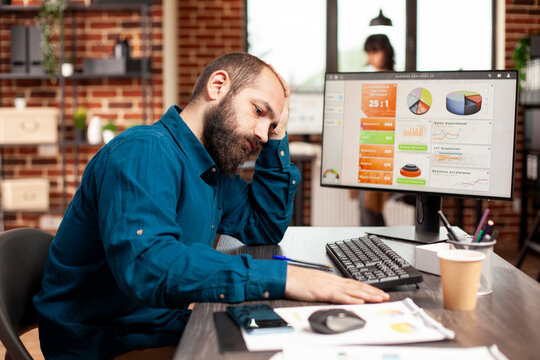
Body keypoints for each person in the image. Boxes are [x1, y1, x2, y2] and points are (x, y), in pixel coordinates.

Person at [34, 52, 389, 359]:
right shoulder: (144, 151)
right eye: (259, 111)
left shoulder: (209, 169)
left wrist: (279, 135)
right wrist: (287, 277)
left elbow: (264, 225)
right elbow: (148, 265)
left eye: (273, 124)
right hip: (105, 345)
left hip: (158, 325)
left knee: (300, 343)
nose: (263, 133)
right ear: (217, 86)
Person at [359, 34, 395, 226]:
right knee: (365, 205)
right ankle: (374, 243)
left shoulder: (394, 80)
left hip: (387, 150)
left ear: (385, 52)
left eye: (375, 52)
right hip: (371, 145)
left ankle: (376, 243)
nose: (371, 58)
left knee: (368, 205)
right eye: (369, 53)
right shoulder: (370, 79)